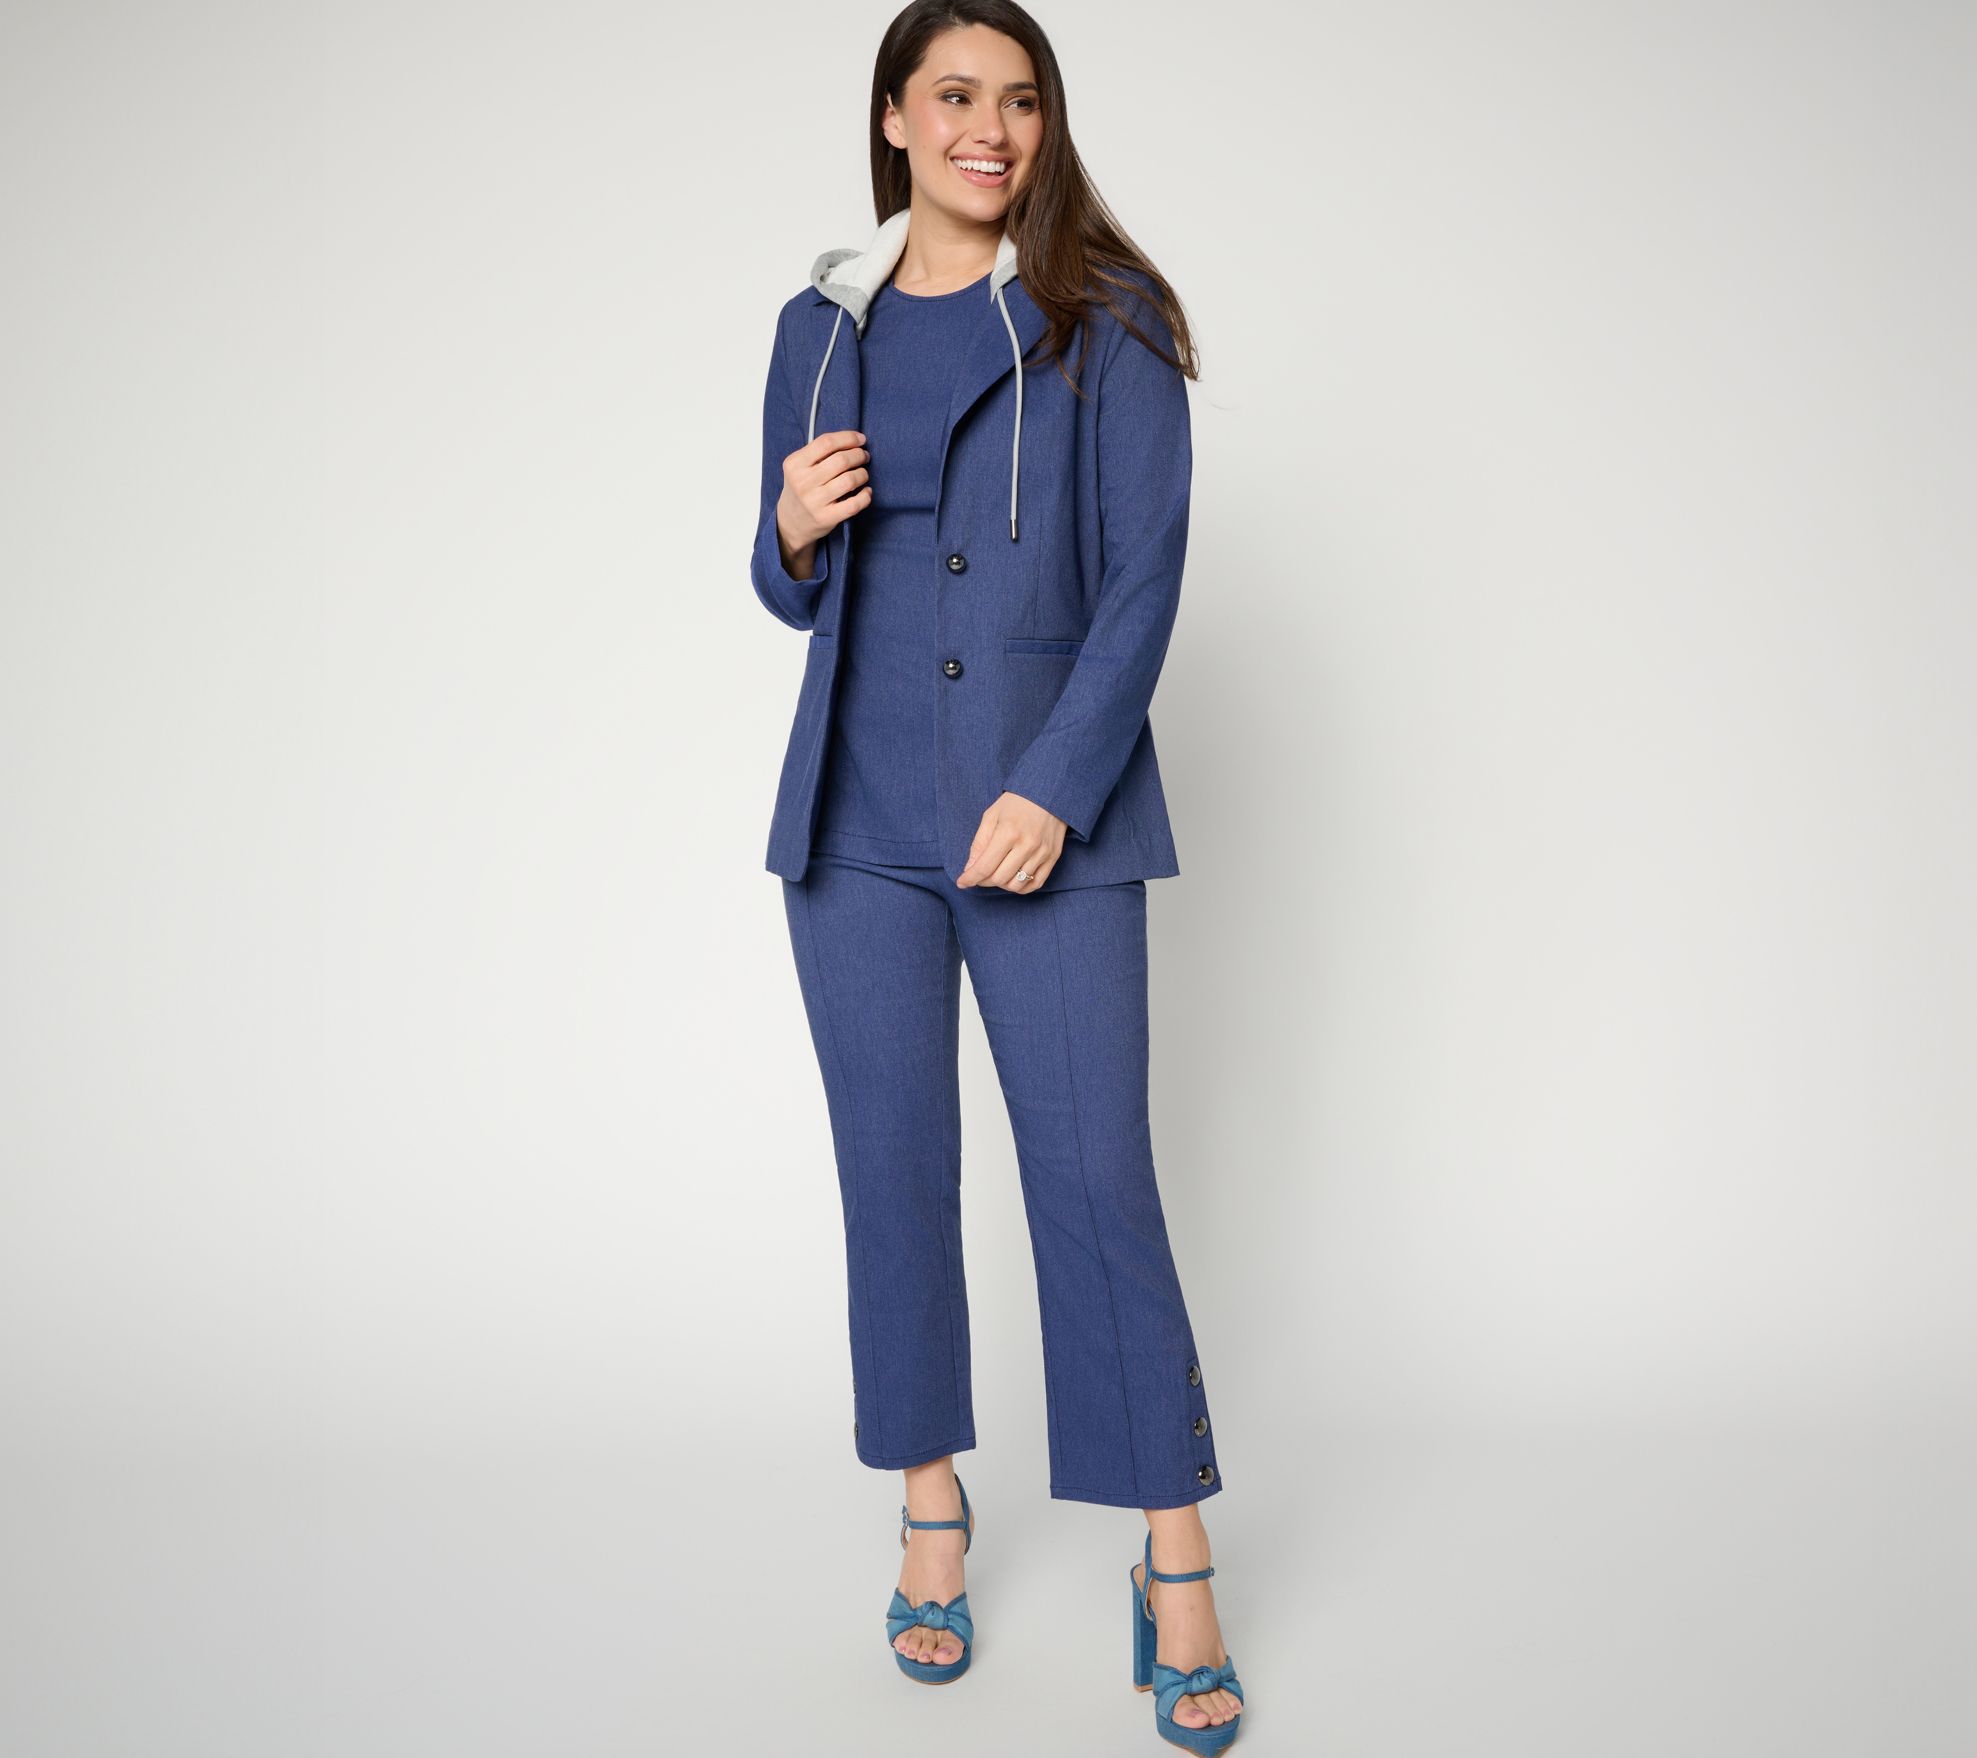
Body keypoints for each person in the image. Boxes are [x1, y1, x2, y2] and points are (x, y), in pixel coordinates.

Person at [746, 3, 1246, 1747]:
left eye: (1020, 100)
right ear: (893, 118)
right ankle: (929, 1507)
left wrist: (1055, 782)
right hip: (855, 821)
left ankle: (1173, 1554)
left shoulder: (1109, 317)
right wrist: (788, 532)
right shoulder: (818, 327)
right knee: (891, 1177)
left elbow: (1144, 579)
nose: (991, 127)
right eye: (954, 95)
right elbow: (788, 581)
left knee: (1096, 1181)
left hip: (1047, 820)